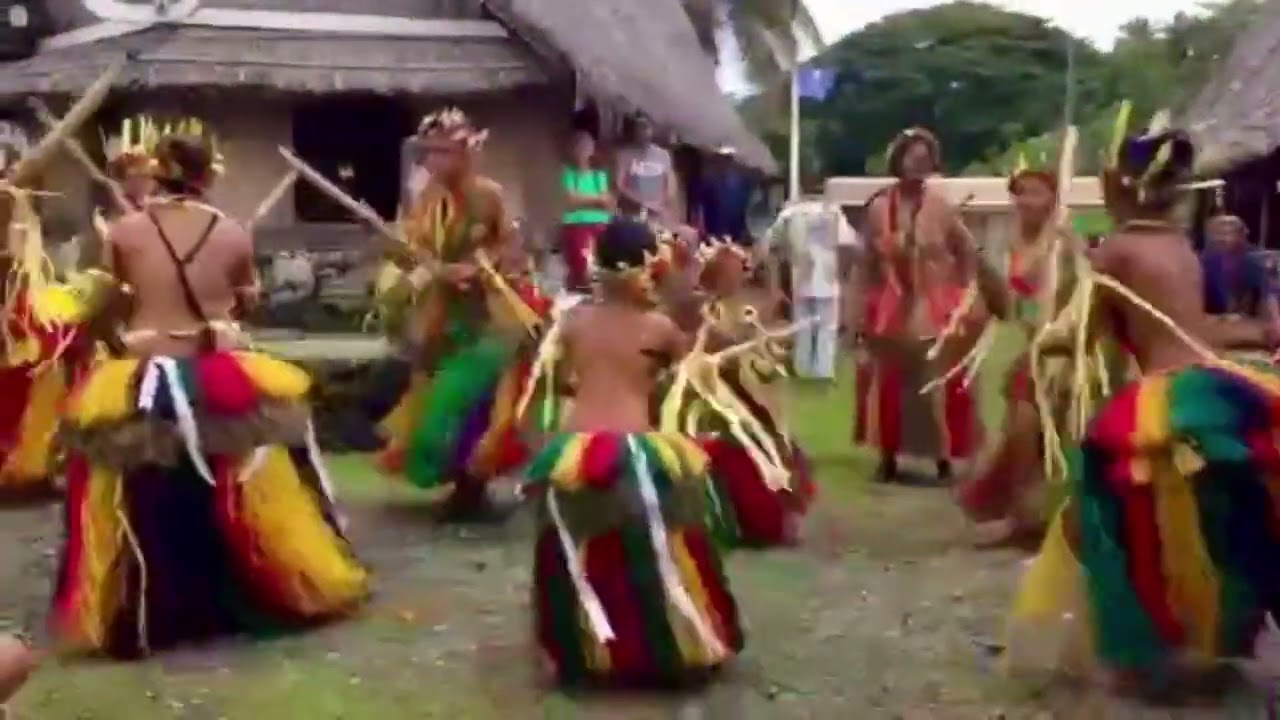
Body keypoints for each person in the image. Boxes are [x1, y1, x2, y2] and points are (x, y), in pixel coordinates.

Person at [51, 131, 368, 659]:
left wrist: (116, 336)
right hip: (218, 368)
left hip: (146, 369)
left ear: (158, 175)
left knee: (144, 491)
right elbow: (244, 303)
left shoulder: (126, 230)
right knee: (237, 483)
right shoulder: (232, 234)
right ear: (207, 177)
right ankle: (243, 594)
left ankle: (149, 607)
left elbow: (110, 301)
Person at [1006, 128, 1280, 696]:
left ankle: (1141, 655)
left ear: (1120, 188)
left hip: (1161, 399)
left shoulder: (1120, 249)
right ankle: (1212, 643)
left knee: (1117, 520)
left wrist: (1045, 340)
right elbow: (1194, 327)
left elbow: (1079, 337)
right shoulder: (1181, 244)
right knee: (1221, 523)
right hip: (1215, 386)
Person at [521, 218, 743, 687]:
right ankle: (664, 649)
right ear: (651, 269)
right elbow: (699, 375)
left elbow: (557, 382)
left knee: (580, 551)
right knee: (656, 549)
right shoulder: (658, 328)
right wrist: (708, 298)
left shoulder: (573, 320)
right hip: (634, 450)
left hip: (573, 451)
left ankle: (584, 652)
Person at [376, 107, 542, 519]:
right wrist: (431, 268)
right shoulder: (424, 199)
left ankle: (475, 487)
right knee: (439, 408)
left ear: (466, 154)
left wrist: (481, 265)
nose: (434, 162)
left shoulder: (489, 195)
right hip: (442, 320)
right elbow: (409, 253)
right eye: (429, 152)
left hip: (492, 320)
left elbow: (513, 247)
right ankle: (463, 488)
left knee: (477, 404)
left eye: (444, 152)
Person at [852, 128, 997, 482]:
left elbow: (966, 250)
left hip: (934, 305)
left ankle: (943, 460)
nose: (918, 165)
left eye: (925, 159)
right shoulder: (878, 208)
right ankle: (888, 458)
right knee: (889, 384)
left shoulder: (941, 206)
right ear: (898, 160)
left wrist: (964, 293)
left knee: (936, 383)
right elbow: (865, 263)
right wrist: (857, 312)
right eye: (912, 158)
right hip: (891, 307)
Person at [954, 166, 1081, 548]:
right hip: (1034, 348)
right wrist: (979, 267)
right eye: (1020, 193)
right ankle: (1023, 514)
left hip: (1067, 350)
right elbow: (1010, 309)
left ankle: (1034, 516)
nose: (1026, 201)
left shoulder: (1064, 241)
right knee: (1019, 427)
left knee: (1032, 428)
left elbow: (1077, 298)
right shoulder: (1013, 243)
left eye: (1036, 193)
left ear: (1053, 199)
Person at [688, 240, 815, 546]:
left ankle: (782, 515)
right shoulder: (706, 312)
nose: (741, 273)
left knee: (777, 448)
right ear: (715, 275)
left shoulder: (746, 306)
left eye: (740, 268)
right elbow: (722, 346)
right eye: (732, 269)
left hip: (756, 396)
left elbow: (766, 336)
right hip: (722, 400)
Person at [761, 195, 858, 381]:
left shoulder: (789, 213)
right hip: (828, 279)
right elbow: (849, 244)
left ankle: (803, 369)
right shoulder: (833, 211)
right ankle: (822, 372)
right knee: (826, 328)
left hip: (801, 279)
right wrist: (844, 274)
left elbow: (769, 244)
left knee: (802, 327)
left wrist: (776, 280)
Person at [559, 129, 613, 293]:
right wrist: (595, 200)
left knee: (600, 267)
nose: (582, 150)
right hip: (575, 225)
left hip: (599, 225)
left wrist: (583, 199)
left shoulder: (599, 175)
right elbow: (570, 201)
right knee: (580, 268)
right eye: (578, 146)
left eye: (586, 146)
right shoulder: (568, 173)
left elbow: (607, 201)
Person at [614, 113, 677, 226]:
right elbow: (619, 184)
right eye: (639, 127)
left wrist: (663, 201)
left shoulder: (663, 155)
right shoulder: (624, 154)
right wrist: (643, 202)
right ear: (634, 130)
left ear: (652, 129)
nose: (643, 132)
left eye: (646, 127)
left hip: (656, 213)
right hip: (631, 213)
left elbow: (671, 182)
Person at [694, 147, 754, 246]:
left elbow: (743, 208)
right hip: (713, 232)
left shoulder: (740, 182)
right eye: (722, 158)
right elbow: (701, 206)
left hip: (734, 233)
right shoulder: (708, 181)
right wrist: (703, 228)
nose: (724, 162)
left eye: (727, 158)